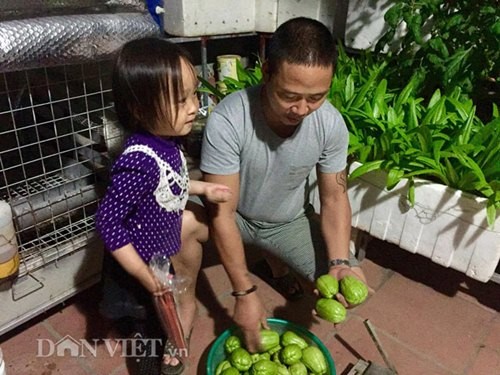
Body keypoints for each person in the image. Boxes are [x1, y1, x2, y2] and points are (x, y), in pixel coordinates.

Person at [199, 17, 368, 352]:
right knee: (180, 230)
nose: (302, 109)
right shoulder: (228, 119)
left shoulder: (331, 124)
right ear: (266, 72)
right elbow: (221, 213)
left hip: (286, 221)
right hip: (234, 216)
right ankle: (183, 312)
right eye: (289, 95)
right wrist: (243, 293)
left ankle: (273, 263)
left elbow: (334, 197)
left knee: (343, 283)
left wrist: (340, 264)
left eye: (316, 97)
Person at [94, 37, 231, 374]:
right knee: (147, 316)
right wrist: (142, 274)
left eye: (193, 94)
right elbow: (108, 223)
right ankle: (156, 341)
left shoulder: (167, 142)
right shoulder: (138, 163)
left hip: (163, 254)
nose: (193, 107)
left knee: (172, 299)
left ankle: (180, 324)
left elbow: (169, 187)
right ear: (140, 109)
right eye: (179, 99)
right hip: (139, 265)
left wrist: (201, 188)